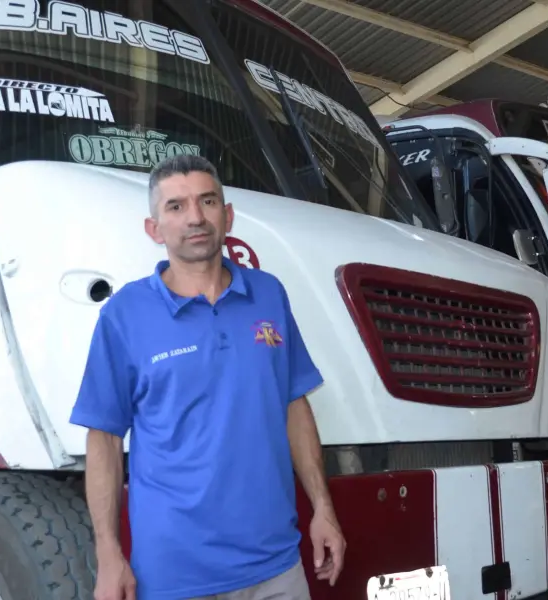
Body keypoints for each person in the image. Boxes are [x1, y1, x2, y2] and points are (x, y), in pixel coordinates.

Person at [70, 154, 346, 600]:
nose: (195, 217)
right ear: (154, 229)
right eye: (175, 207)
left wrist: (323, 510)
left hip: (278, 565)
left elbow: (294, 406)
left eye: (207, 201)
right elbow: (102, 439)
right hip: (175, 577)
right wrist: (109, 555)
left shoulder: (269, 295)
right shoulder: (124, 315)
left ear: (227, 214)